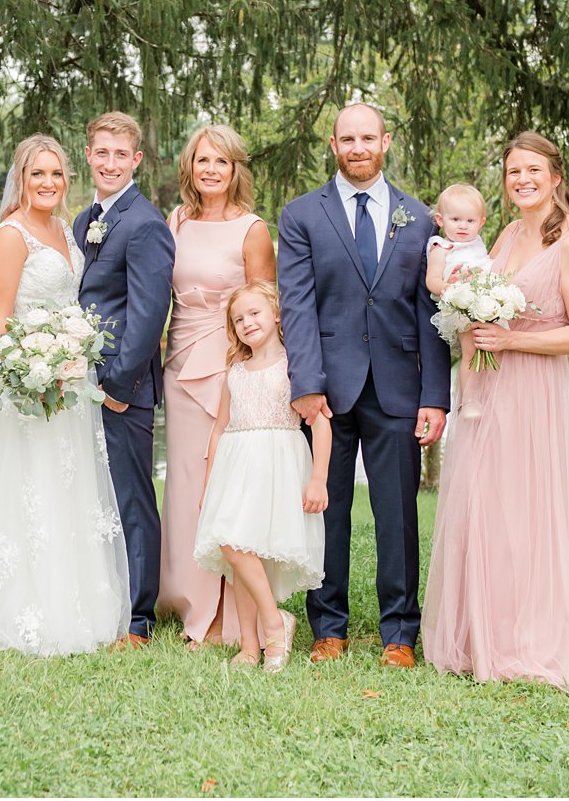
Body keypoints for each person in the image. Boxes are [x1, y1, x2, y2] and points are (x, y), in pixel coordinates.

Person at [422, 132, 569, 693]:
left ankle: (533, 639)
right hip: (486, 391)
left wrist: (512, 341)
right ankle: (487, 635)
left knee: (530, 509)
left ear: (556, 177)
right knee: (488, 508)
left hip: (533, 391)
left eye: (532, 170)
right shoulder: (505, 234)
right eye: (513, 171)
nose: (521, 179)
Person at [0, 135, 131, 655]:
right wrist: (33, 370)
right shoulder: (10, 235)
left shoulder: (68, 231)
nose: (48, 183)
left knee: (66, 487)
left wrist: (73, 358)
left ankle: (73, 600)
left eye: (56, 174)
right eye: (37, 174)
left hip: (70, 381)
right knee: (23, 486)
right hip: (24, 383)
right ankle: (15, 603)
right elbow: (0, 323)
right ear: (20, 178)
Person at [277, 102, 450, 668]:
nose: (358, 148)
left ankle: (400, 633)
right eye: (347, 139)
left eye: (367, 138)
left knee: (398, 514)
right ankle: (329, 626)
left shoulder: (421, 220)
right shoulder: (302, 215)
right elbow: (297, 306)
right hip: (325, 389)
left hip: (398, 388)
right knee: (326, 508)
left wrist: (434, 397)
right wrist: (305, 384)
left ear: (386, 142)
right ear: (333, 144)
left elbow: (433, 316)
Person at [159, 124, 276, 650]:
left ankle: (231, 614)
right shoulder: (177, 220)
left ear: (235, 171)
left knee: (223, 486)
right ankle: (189, 603)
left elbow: (265, 306)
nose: (211, 170)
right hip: (179, 361)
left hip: (227, 369)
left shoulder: (252, 228)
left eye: (221, 162)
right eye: (203, 160)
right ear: (190, 166)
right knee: (184, 486)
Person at [71, 112, 175, 650]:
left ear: (135, 160)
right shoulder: (83, 219)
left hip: (120, 389)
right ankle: (100, 597)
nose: (110, 163)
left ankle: (138, 619)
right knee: (92, 495)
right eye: (101, 153)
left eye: (121, 155)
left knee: (132, 499)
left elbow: (148, 315)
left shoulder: (146, 224)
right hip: (77, 383)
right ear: (88, 154)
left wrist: (118, 384)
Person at [192, 282, 328, 672]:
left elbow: (320, 425)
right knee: (235, 552)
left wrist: (318, 479)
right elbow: (219, 429)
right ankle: (252, 645)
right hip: (235, 467)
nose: (247, 322)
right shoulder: (234, 372)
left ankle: (272, 625)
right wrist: (208, 484)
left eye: (254, 313)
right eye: (238, 319)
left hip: (276, 465)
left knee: (242, 548)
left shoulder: (295, 366)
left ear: (277, 314)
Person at [425, 183, 494, 418]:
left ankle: (489, 394)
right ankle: (469, 400)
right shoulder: (441, 247)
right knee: (471, 351)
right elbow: (432, 281)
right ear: (441, 220)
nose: (463, 226)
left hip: (485, 304)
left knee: (491, 350)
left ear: (481, 223)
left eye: (470, 221)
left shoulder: (478, 244)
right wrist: (450, 289)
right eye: (455, 219)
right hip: (460, 307)